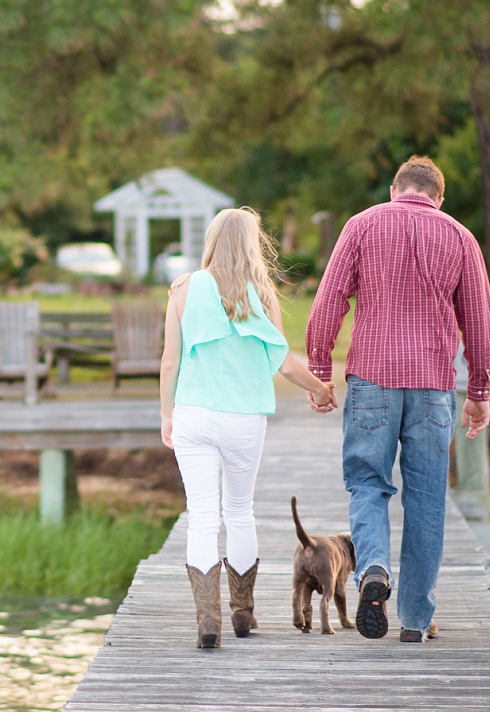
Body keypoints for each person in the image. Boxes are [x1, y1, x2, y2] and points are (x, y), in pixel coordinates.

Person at [305, 155, 490, 643]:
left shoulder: (361, 226)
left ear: (395, 189)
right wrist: (478, 391)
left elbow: (329, 302)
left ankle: (372, 568)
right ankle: (414, 619)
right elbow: (480, 322)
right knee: (427, 498)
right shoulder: (459, 236)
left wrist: (320, 370)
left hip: (372, 379)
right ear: (439, 196)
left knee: (368, 484)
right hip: (432, 386)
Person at [160, 206, 336, 650]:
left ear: (213, 240)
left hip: (193, 414)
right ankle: (242, 610)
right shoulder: (261, 294)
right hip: (243, 419)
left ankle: (208, 620)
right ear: (252, 244)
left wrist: (167, 415)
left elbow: (169, 360)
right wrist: (319, 388)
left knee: (202, 514)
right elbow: (283, 362)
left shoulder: (182, 289)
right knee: (239, 511)